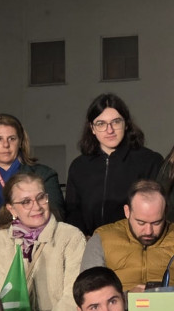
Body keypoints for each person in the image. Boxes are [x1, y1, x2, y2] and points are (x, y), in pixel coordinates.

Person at [0, 172, 86, 311]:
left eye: (41, 198)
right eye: (26, 202)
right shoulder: (0, 241)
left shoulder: (71, 236)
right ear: (12, 209)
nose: (37, 206)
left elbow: (75, 293)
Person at [65, 93, 164, 236]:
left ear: (126, 124)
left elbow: (158, 211)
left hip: (134, 246)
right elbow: (73, 213)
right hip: (89, 246)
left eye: (116, 122)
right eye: (101, 124)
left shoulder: (150, 161)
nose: (109, 130)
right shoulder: (78, 167)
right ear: (92, 128)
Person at [81, 180, 174, 291]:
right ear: (127, 211)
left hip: (172, 306)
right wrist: (127, 298)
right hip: (121, 307)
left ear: (165, 212)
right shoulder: (102, 238)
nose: (148, 231)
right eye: (141, 223)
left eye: (156, 223)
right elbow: (89, 293)